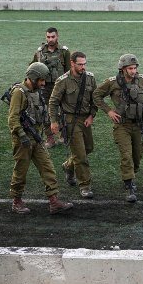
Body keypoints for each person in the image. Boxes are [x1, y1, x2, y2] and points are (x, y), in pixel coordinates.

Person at [7, 62, 74, 215]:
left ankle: (54, 201)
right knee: (20, 171)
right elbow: (12, 119)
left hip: (36, 138)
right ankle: (16, 201)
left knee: (48, 168)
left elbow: (41, 114)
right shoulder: (19, 93)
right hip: (23, 139)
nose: (44, 83)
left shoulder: (36, 92)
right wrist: (22, 136)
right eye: (41, 80)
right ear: (33, 77)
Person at [93, 54, 143, 203]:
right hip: (122, 125)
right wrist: (109, 111)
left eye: (135, 68)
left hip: (138, 125)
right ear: (122, 69)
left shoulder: (142, 80)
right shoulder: (113, 82)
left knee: (137, 155)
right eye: (130, 68)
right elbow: (96, 95)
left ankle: (131, 175)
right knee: (126, 155)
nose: (133, 71)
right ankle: (129, 185)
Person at [49, 52, 97, 199]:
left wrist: (91, 115)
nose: (83, 67)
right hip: (71, 121)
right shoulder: (62, 81)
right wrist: (54, 121)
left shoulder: (90, 78)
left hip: (85, 120)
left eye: (84, 64)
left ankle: (68, 165)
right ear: (72, 63)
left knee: (88, 148)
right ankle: (85, 185)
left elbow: (95, 98)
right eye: (80, 64)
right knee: (81, 155)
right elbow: (53, 101)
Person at [31, 27, 70, 149]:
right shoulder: (39, 52)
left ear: (57, 36)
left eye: (53, 37)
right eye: (48, 37)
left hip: (60, 86)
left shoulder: (64, 52)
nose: (50, 39)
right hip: (44, 87)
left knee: (64, 110)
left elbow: (69, 70)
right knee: (44, 111)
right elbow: (33, 67)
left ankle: (64, 135)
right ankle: (50, 138)